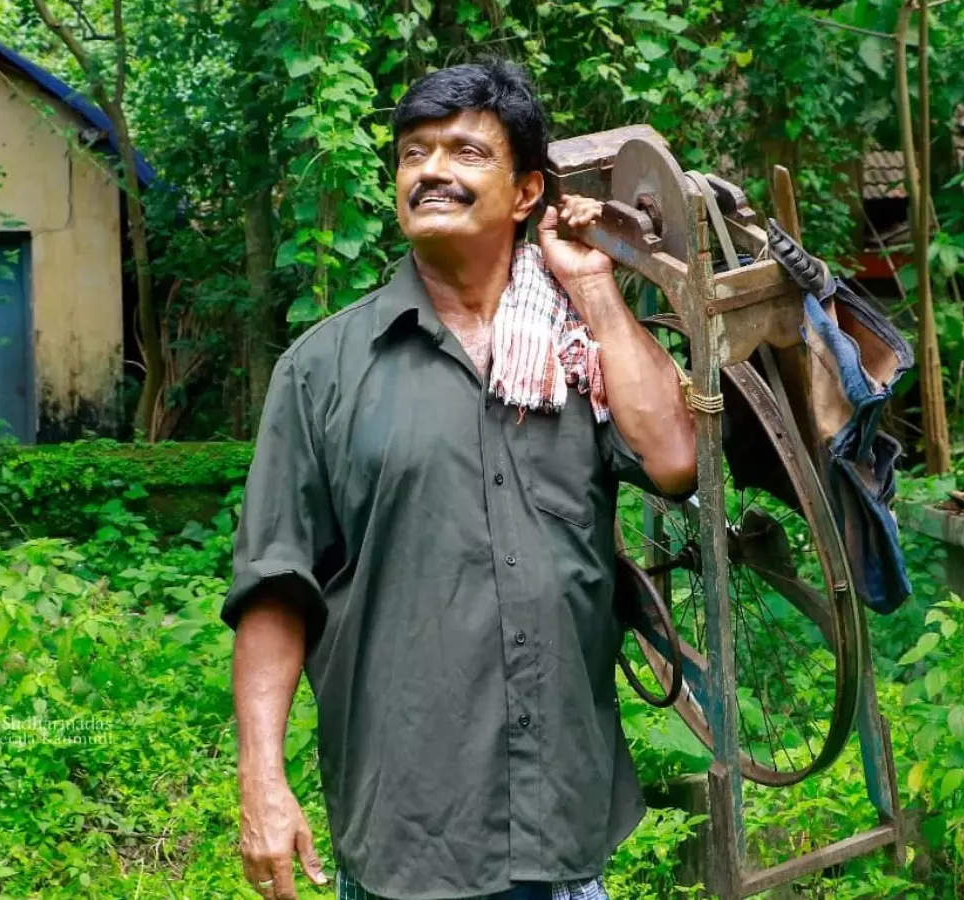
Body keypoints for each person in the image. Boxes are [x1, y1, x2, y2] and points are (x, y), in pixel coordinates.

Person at [224, 59, 698, 900]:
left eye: (465, 152)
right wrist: (262, 780)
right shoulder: (323, 369)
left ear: (526, 193)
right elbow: (274, 586)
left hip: (562, 820)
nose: (431, 170)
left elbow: (672, 458)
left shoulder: (574, 348)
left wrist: (594, 288)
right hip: (407, 829)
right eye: (414, 153)